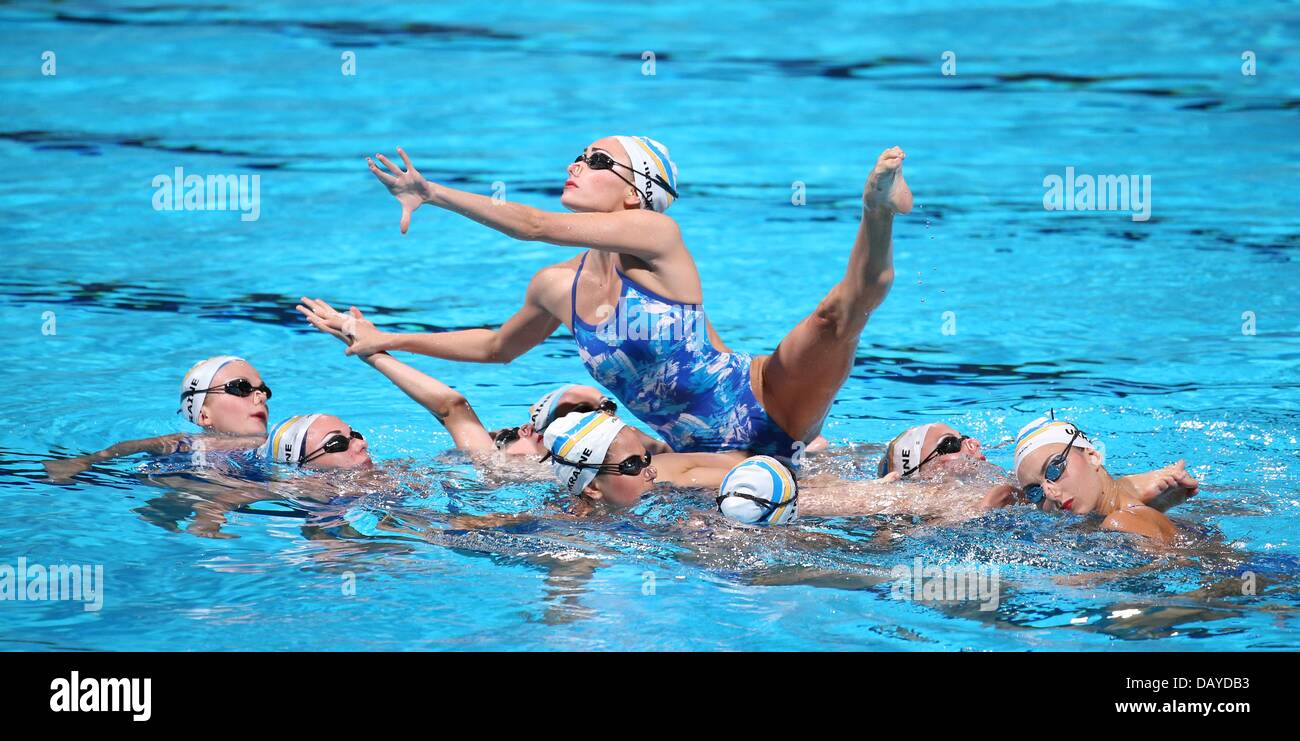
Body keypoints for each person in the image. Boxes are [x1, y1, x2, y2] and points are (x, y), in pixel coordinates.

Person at [302, 138, 911, 461]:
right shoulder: (554, 288)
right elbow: (494, 348)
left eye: (596, 161)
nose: (576, 164)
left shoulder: (656, 236)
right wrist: (388, 339)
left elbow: (533, 225)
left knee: (839, 315)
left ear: (635, 193)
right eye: (578, 155)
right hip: (692, 450)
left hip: (765, 396)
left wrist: (431, 192)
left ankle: (876, 210)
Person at [296, 298, 672, 458]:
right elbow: (451, 405)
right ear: (531, 432)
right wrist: (369, 350)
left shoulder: (624, 458)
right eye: (580, 411)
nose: (599, 416)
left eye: (605, 408)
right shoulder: (497, 462)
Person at [43, 355, 270, 482]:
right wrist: (84, 461)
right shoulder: (190, 442)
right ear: (203, 415)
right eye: (241, 388)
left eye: (264, 390)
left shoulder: (281, 440)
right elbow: (133, 446)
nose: (260, 396)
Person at [1012, 416, 1200, 544]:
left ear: (1093, 456)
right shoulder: (1119, 519)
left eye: (1054, 469)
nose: (1049, 493)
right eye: (1034, 491)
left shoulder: (1120, 522)